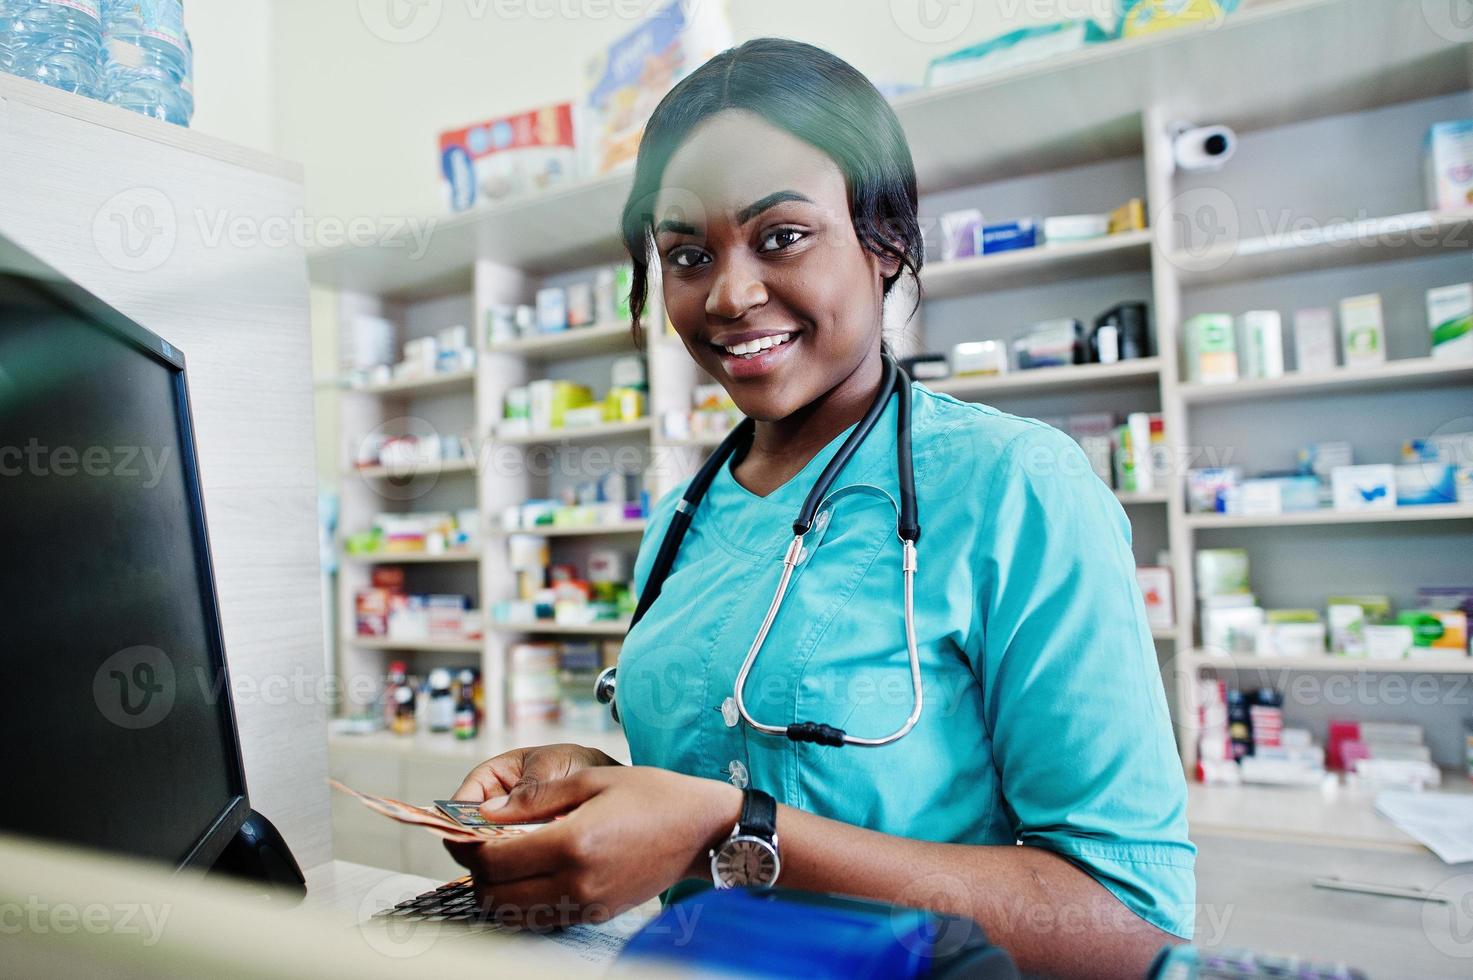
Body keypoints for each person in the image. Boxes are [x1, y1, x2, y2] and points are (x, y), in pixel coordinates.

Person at [446, 37, 1195, 978]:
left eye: (781, 236)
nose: (729, 294)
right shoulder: (681, 516)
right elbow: (712, 776)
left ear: (883, 243)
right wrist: (605, 792)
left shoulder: (1017, 485)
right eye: (686, 252)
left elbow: (1128, 928)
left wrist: (734, 829)